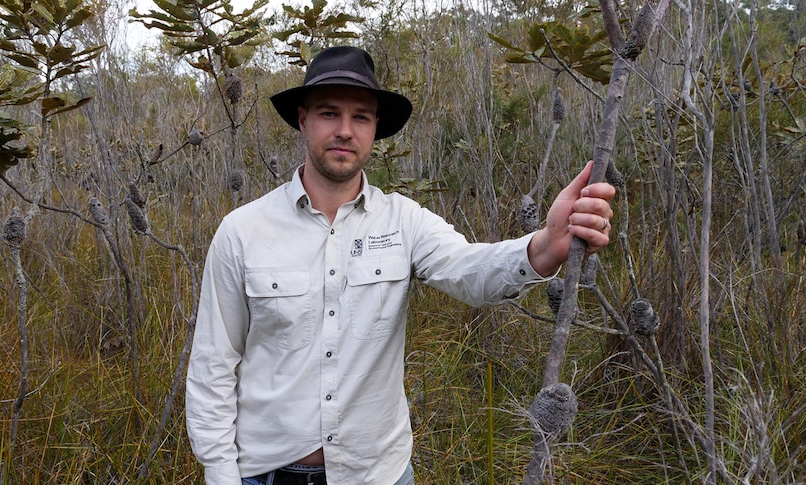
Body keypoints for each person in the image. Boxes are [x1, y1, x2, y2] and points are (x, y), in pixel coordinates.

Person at [185, 46, 615, 485]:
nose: (345, 131)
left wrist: (546, 245)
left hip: (378, 474)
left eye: (362, 117)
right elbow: (213, 365)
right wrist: (221, 475)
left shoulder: (404, 221)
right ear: (303, 119)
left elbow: (470, 269)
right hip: (266, 474)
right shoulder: (242, 231)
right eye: (329, 113)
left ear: (375, 129)